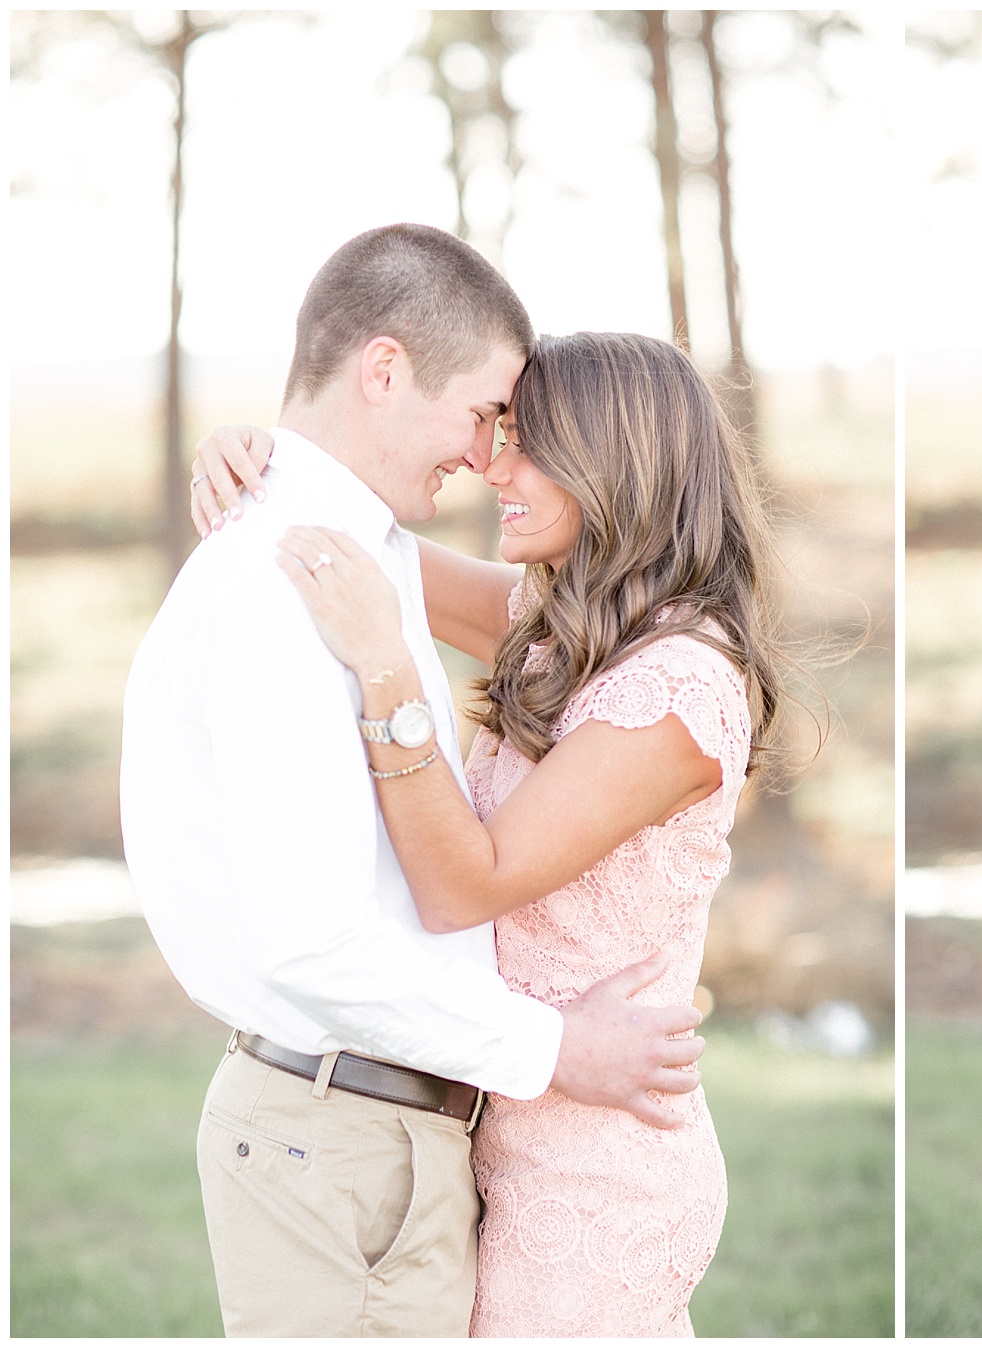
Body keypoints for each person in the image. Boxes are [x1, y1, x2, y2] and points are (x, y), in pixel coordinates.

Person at [122, 224, 706, 1338]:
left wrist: (273, 460)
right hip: (339, 1135)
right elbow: (312, 940)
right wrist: (556, 1051)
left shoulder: (357, 550)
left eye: (517, 433)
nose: (488, 455)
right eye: (487, 412)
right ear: (385, 370)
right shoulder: (286, 580)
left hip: (397, 1133)